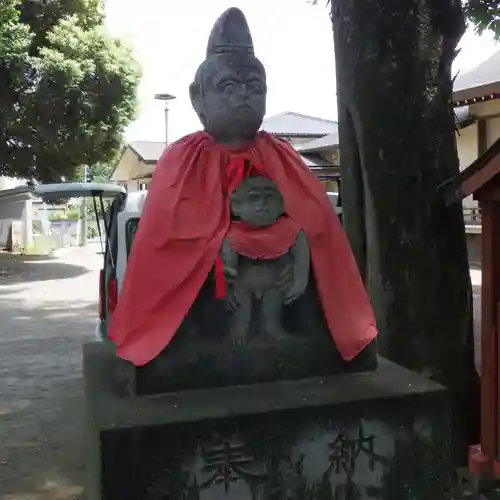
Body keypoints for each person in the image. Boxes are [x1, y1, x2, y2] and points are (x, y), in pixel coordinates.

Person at [109, 7, 377, 367]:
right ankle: (183, 333)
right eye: (228, 86)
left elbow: (316, 222)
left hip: (277, 283)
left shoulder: (281, 155)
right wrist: (214, 244)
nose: (244, 96)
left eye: (254, 87)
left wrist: (298, 252)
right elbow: (164, 233)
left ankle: (304, 325)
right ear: (197, 97)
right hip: (216, 290)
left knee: (321, 239)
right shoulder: (181, 159)